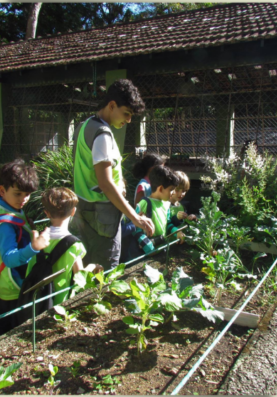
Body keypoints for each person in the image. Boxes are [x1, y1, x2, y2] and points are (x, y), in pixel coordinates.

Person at [72, 79, 154, 270]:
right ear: (111, 105)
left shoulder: (85, 126)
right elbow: (105, 183)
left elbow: (97, 171)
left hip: (84, 210)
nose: (128, 120)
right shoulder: (102, 134)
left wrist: (122, 182)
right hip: (102, 217)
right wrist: (136, 217)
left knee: (86, 269)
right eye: (126, 113)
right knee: (104, 271)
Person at [26, 187, 103, 306]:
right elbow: (80, 275)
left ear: (46, 213)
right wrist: (93, 266)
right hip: (59, 301)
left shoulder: (38, 240)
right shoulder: (74, 244)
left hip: (35, 299)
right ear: (73, 211)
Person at [0, 159, 50, 335]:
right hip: (9, 291)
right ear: (2, 190)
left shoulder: (10, 208)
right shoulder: (5, 224)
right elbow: (9, 258)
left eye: (27, 194)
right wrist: (34, 248)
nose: (23, 199)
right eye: (18, 194)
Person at [131, 165, 186, 259]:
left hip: (162, 250)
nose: (173, 193)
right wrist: (147, 245)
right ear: (160, 188)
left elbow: (168, 224)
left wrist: (176, 232)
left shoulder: (166, 204)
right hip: (146, 254)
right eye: (171, 189)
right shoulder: (144, 204)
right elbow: (135, 229)